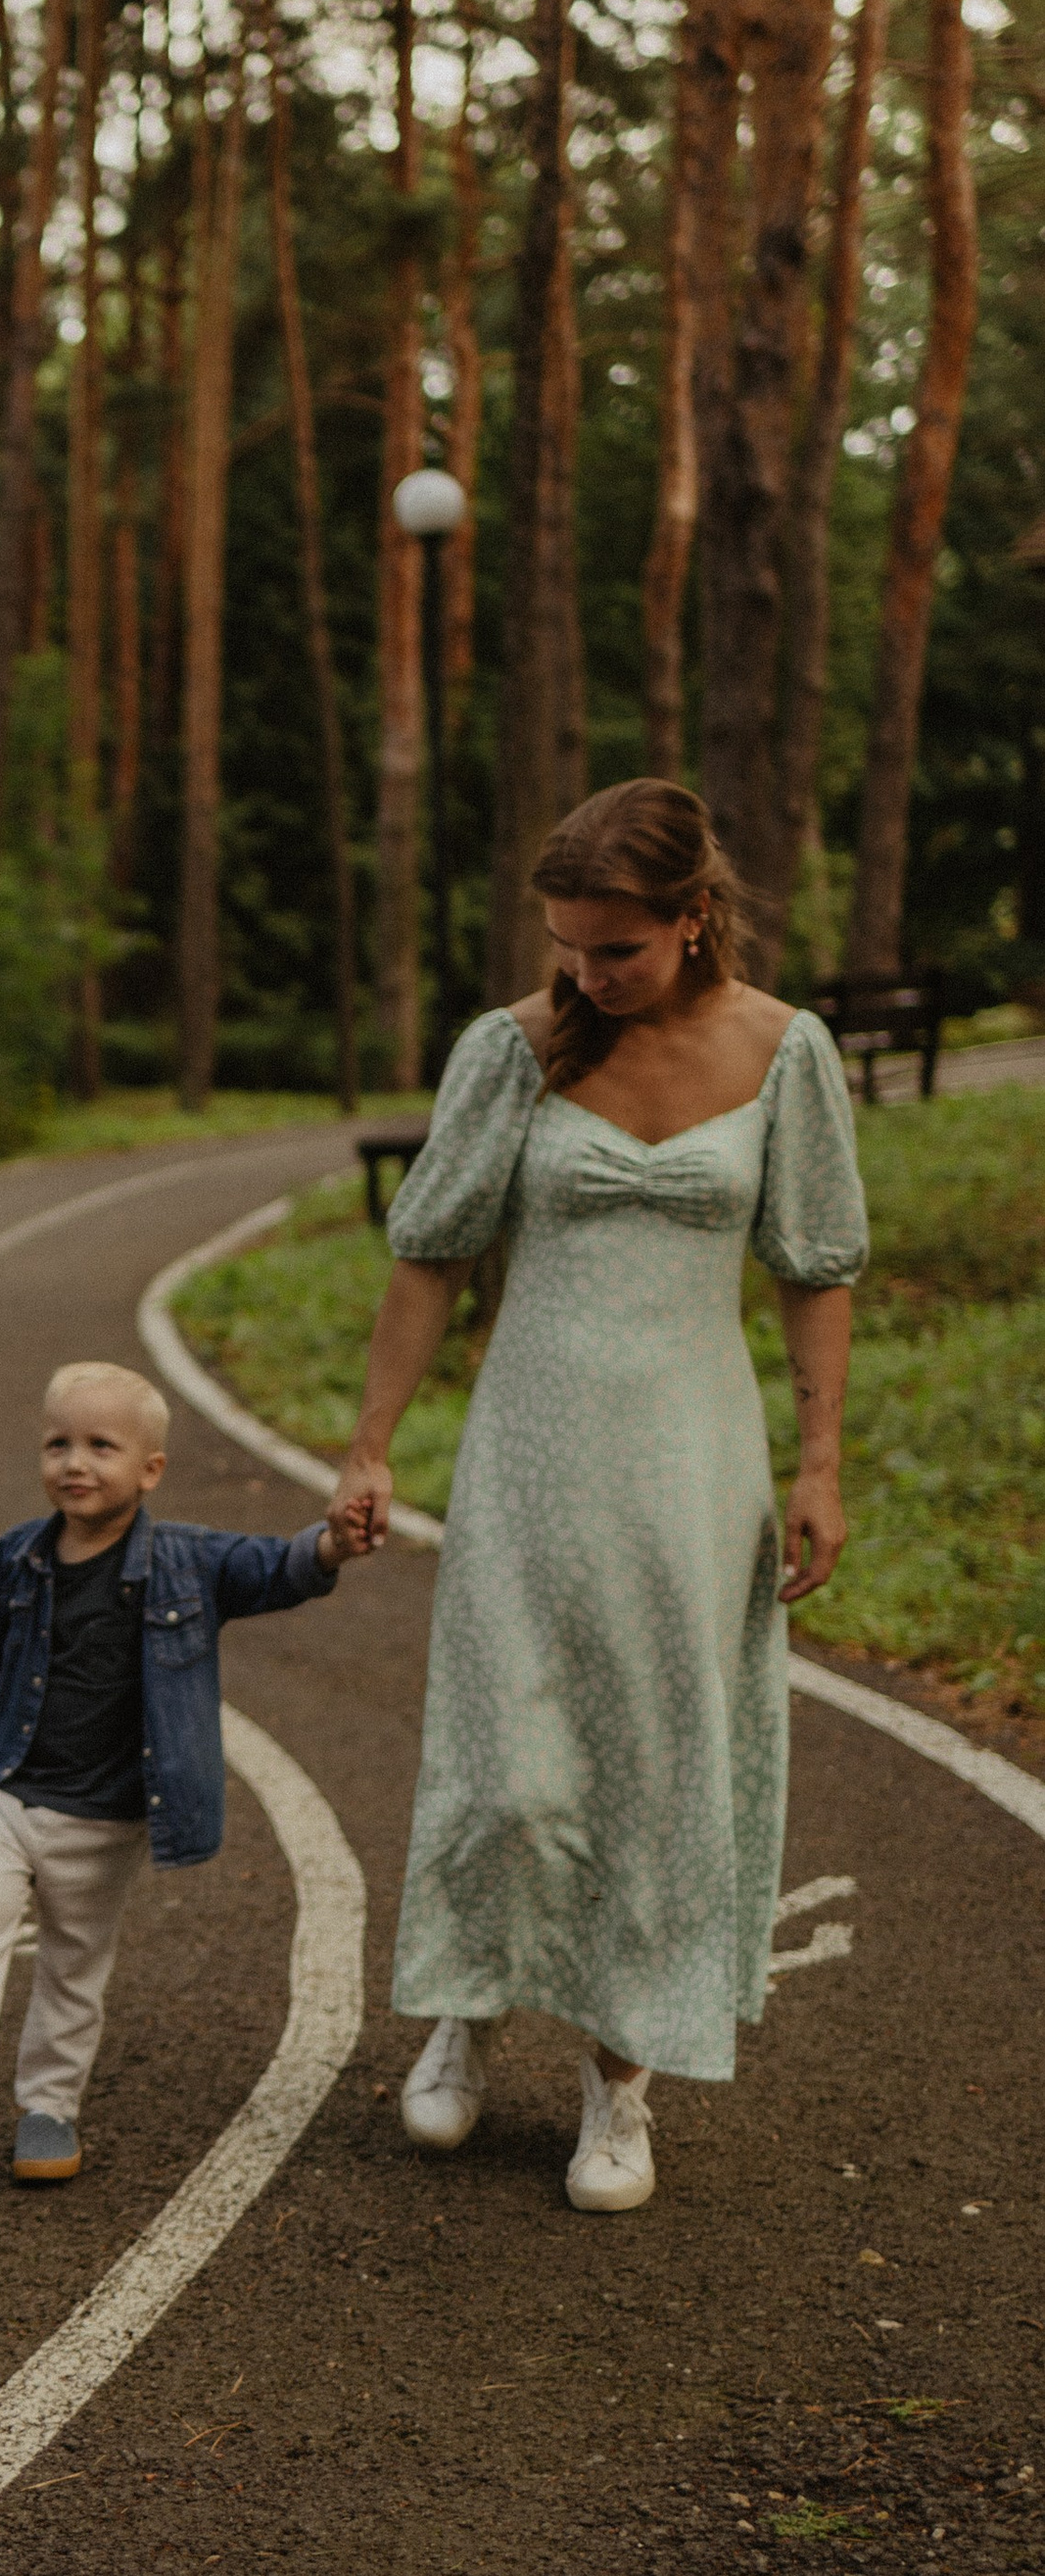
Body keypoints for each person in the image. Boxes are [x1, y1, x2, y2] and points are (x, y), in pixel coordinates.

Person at [329, 779, 868, 2215]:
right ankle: (467, 2004)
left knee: (655, 1753)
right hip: (530, 1442)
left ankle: (622, 2074)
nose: (585, 974)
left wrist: (820, 1464)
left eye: (615, 948)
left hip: (693, 1452)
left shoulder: (785, 1051)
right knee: (507, 1749)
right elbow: (430, 1255)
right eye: (567, 945)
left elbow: (815, 1266)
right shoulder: (512, 1051)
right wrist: (373, 1445)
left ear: (695, 920)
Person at [0, 1361, 371, 2183]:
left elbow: (272, 1569)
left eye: (101, 1445)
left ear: (150, 1469)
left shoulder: (187, 1562)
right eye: (58, 1442)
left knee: (74, 1966)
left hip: (105, 1815)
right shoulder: (18, 1557)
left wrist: (332, 1544)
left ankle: (48, 2109)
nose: (75, 1461)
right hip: (11, 1787)